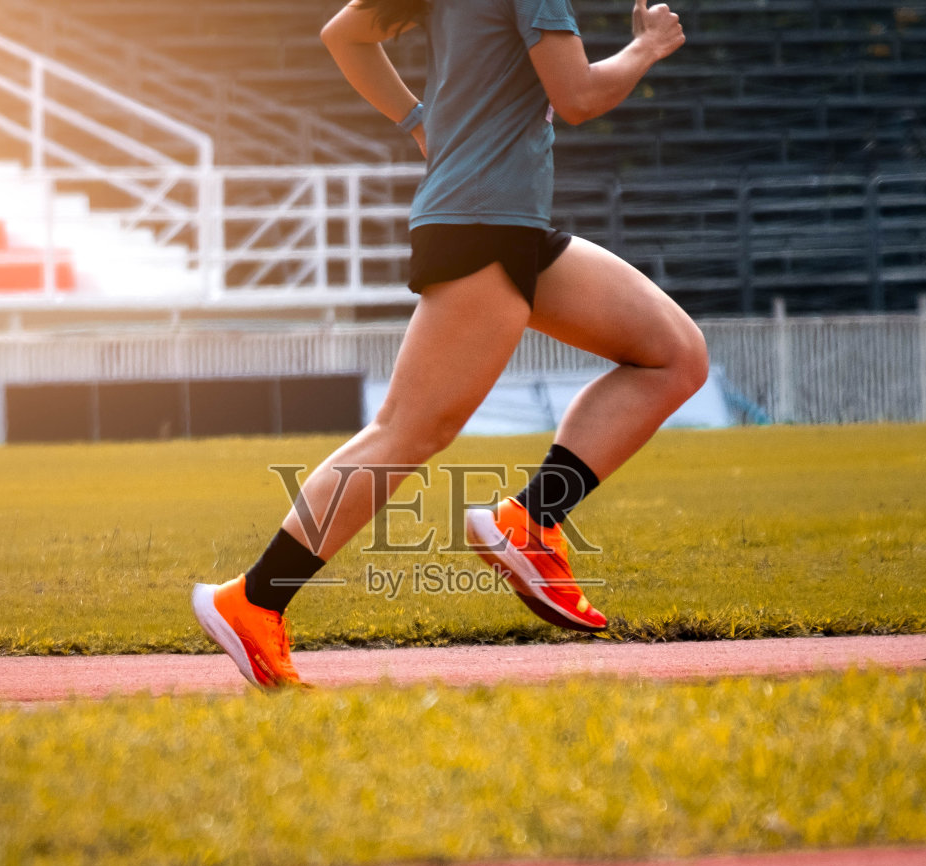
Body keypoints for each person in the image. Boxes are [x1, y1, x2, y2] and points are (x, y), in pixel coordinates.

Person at [192, 0, 707, 688]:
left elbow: (342, 34)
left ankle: (531, 518)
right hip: (482, 221)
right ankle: (255, 599)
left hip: (509, 219)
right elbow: (578, 96)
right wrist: (646, 48)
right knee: (405, 433)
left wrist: (416, 122)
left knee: (674, 354)